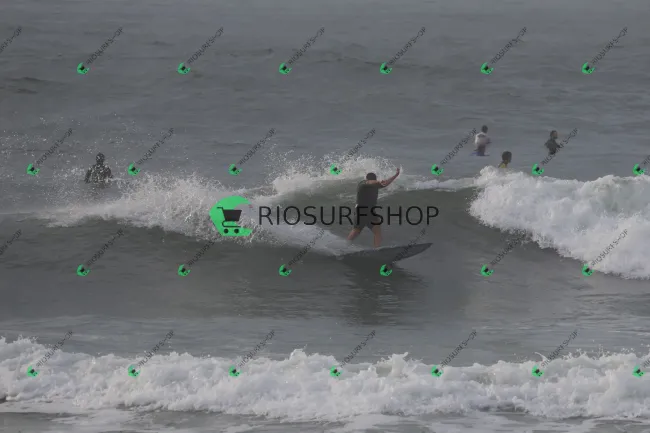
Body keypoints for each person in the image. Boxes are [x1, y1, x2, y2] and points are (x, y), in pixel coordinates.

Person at [346, 168, 400, 248]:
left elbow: (386, 183)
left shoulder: (375, 186)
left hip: (370, 212)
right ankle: (346, 246)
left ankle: (377, 249)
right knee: (357, 230)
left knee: (376, 230)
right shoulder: (363, 184)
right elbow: (370, 182)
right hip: (361, 211)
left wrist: (395, 175)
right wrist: (378, 181)